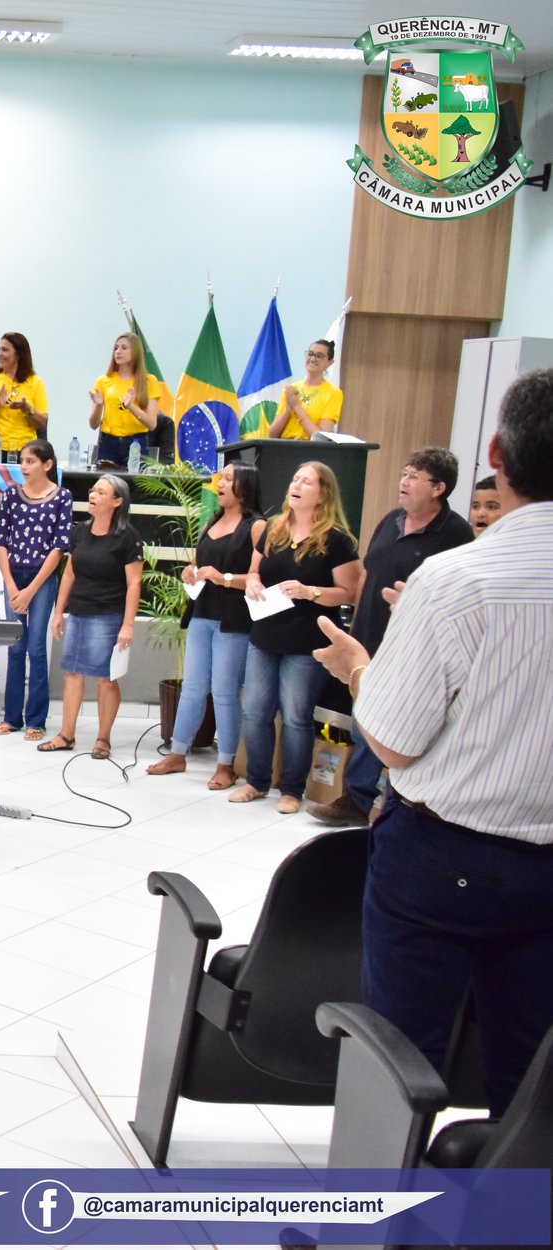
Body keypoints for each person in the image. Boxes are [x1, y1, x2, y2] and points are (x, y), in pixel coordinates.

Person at [311, 367, 553, 1117]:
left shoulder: (456, 580)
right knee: (529, 1079)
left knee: (398, 1060)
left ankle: (369, 1229)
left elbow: (392, 744)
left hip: (446, 857)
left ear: (496, 456)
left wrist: (359, 669)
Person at [310, 447, 472, 827]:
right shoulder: (391, 520)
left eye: (415, 476)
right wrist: (354, 628)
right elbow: (366, 574)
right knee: (364, 713)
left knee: (392, 720)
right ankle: (359, 797)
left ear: (439, 488)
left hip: (414, 643)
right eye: (404, 472)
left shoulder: (456, 533)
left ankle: (381, 799)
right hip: (368, 635)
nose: (404, 481)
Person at [232, 461, 363, 813]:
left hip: (307, 642)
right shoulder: (272, 530)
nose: (297, 485)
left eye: (307, 482)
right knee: (256, 710)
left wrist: (311, 592)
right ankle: (256, 782)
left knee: (295, 715)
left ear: (322, 496)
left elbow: (349, 592)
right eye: (295, 479)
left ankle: (291, 789)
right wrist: (255, 582)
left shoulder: (336, 540)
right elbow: (253, 572)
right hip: (265, 634)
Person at [146, 463, 266, 789]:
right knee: (194, 687)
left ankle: (226, 763)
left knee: (225, 692)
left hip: (234, 620)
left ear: (244, 486)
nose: (221, 484)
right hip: (202, 612)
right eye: (220, 478)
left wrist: (224, 579)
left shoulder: (256, 526)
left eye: (228, 479)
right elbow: (201, 564)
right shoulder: (212, 521)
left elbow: (261, 580)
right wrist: (191, 570)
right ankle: (178, 751)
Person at [44, 476, 143, 758]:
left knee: (104, 678)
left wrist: (128, 624)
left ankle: (103, 739)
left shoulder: (127, 536)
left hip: (108, 615)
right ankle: (66, 734)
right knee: (72, 674)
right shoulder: (80, 531)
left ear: (117, 502)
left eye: (101, 492)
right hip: (78, 610)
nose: (93, 495)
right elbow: (70, 572)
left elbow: (134, 583)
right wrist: (58, 611)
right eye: (93, 490)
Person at [0, 439, 71, 740]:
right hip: (14, 577)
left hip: (42, 579)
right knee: (15, 647)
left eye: (30, 461)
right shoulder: (11, 495)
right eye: (21, 460)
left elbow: (59, 547)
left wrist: (31, 590)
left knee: (36, 648)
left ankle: (36, 719)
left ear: (47, 464)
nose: (23, 466)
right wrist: (11, 586)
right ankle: (12, 717)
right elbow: (0, 541)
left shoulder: (62, 497)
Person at [88, 332, 167, 468]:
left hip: (136, 443)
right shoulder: (103, 380)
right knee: (107, 485)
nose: (118, 352)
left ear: (135, 352)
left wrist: (130, 406)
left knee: (135, 487)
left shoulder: (149, 381)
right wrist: (99, 405)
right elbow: (93, 424)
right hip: (108, 443)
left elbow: (152, 424)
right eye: (116, 348)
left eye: (124, 348)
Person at [253, 340, 342, 440]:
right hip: (282, 448)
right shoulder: (291, 389)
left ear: (330, 362)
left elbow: (319, 438)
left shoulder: (333, 393)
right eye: (310, 354)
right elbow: (272, 434)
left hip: (309, 451)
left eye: (319, 356)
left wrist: (297, 407)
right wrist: (287, 410)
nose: (313, 359)